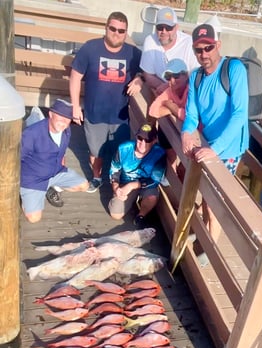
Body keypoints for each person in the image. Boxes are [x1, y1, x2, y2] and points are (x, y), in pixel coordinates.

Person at [181, 24, 249, 261]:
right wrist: (186, 133)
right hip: (208, 144)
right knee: (204, 194)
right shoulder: (196, 76)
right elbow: (191, 115)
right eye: (198, 50)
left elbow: (240, 114)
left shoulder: (234, 69)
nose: (204, 54)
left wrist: (215, 150)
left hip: (227, 150)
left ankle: (210, 247)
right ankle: (203, 235)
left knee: (213, 202)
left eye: (208, 48)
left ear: (217, 45)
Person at [69, 11, 143, 193]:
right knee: (96, 152)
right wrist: (75, 106)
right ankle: (96, 177)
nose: (116, 33)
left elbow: (146, 71)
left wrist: (140, 78)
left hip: (121, 116)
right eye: (113, 28)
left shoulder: (134, 53)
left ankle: (118, 182)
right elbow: (75, 77)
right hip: (95, 115)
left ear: (126, 33)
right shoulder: (90, 48)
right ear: (106, 27)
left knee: (121, 151)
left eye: (121, 31)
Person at [20, 99, 89, 224]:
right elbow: (18, 159)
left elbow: (61, 153)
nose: (63, 122)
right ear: (51, 114)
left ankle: (49, 188)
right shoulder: (31, 134)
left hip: (56, 171)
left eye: (67, 119)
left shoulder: (66, 131)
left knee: (84, 186)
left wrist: (62, 169)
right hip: (33, 180)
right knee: (34, 219)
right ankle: (25, 197)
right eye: (60, 117)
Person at [108, 123, 166, 227]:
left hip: (146, 185)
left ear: (154, 141)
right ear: (136, 137)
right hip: (124, 182)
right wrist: (116, 188)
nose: (143, 143)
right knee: (115, 214)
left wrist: (132, 186)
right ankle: (131, 200)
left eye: (147, 140)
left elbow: (155, 180)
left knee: (152, 197)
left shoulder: (159, 153)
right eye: (140, 138)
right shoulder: (123, 148)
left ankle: (141, 215)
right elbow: (114, 171)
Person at [140, 7, 198, 95]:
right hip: (160, 92)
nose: (164, 31)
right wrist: (166, 89)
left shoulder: (189, 44)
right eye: (160, 27)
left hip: (186, 93)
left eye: (168, 28)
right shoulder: (150, 41)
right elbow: (148, 74)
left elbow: (196, 77)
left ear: (176, 27)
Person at [149, 58, 189, 182]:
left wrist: (170, 105)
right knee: (172, 158)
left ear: (186, 75)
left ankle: (180, 194)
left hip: (194, 136)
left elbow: (189, 115)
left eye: (176, 76)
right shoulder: (169, 90)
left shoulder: (192, 90)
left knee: (185, 168)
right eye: (168, 77)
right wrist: (174, 109)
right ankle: (172, 184)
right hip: (176, 131)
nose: (172, 81)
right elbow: (153, 111)